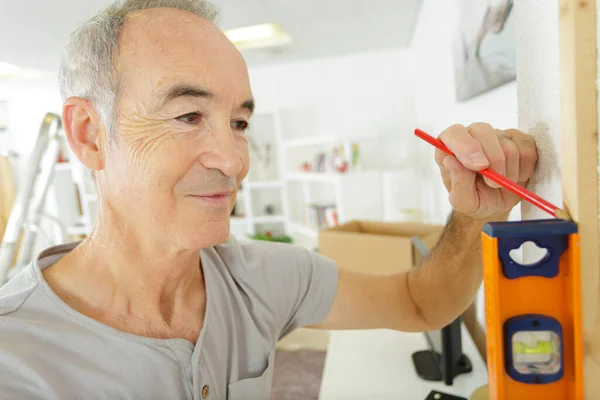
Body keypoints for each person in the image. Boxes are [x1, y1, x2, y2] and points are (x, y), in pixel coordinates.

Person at [0, 1, 537, 399]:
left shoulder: (257, 279)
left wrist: (474, 215)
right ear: (90, 134)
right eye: (189, 117)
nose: (235, 161)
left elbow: (422, 301)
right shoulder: (16, 358)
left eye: (239, 123)